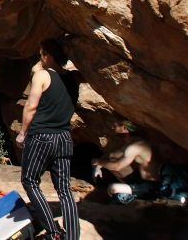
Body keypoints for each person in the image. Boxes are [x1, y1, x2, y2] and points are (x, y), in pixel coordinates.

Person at [16, 39, 79, 240]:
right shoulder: (73, 78)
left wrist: (22, 133)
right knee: (64, 189)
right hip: (64, 137)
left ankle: (53, 231)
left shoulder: (42, 75)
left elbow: (31, 106)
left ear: (48, 56)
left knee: (30, 181)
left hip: (42, 136)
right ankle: (73, 236)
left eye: (41, 53)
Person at [92, 120, 161, 203]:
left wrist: (98, 162)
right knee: (114, 157)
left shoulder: (136, 146)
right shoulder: (128, 144)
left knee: (113, 188)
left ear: (125, 128)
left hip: (151, 187)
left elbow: (117, 166)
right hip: (138, 180)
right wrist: (98, 167)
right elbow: (111, 155)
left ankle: (134, 200)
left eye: (118, 123)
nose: (113, 125)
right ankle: (129, 192)